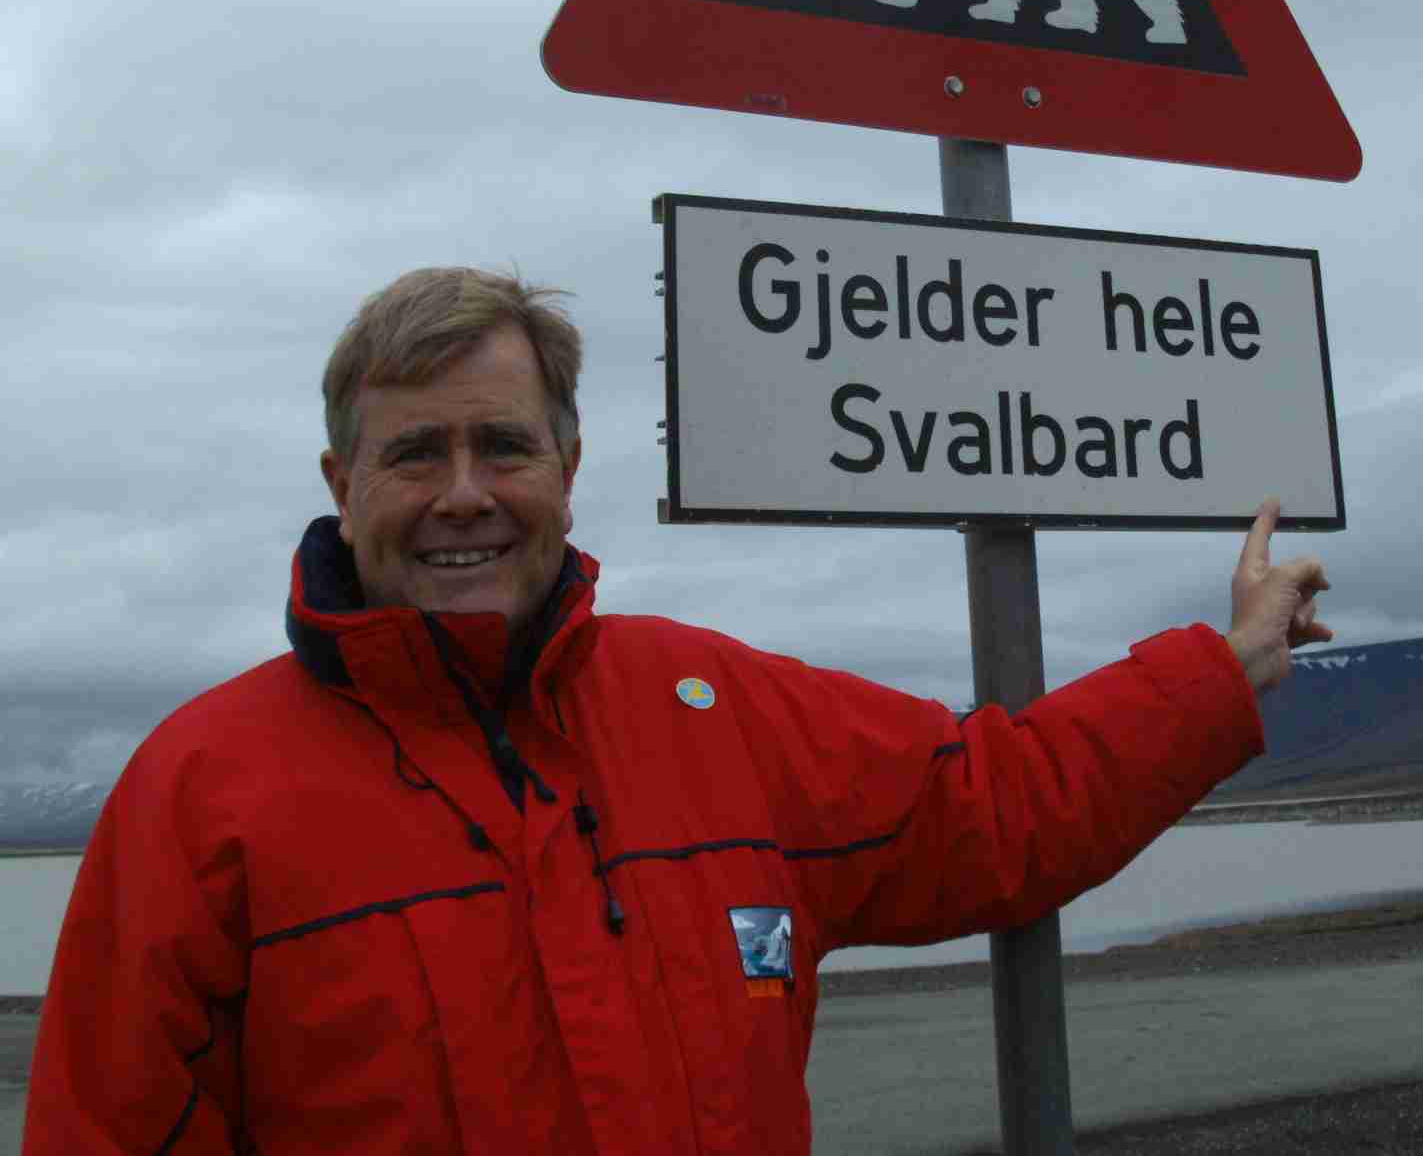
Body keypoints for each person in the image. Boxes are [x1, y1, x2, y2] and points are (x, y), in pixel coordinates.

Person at [25, 267, 1331, 1156]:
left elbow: (995, 802)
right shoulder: (202, 786)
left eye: (505, 446)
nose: (464, 492)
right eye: (417, 452)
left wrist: (1226, 672)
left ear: (570, 468)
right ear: (341, 479)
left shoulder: (718, 709)